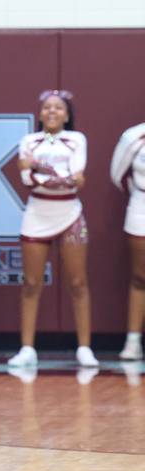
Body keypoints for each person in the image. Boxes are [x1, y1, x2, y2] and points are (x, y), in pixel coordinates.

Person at [9, 90, 97, 367]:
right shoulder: (28, 140)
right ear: (40, 114)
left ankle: (84, 347)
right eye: (47, 108)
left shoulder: (76, 140)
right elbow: (27, 181)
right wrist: (59, 176)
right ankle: (27, 348)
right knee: (32, 283)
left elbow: (77, 180)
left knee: (78, 282)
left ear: (67, 115)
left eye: (58, 108)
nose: (52, 112)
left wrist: (37, 167)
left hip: (70, 213)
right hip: (37, 213)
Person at [111, 123, 145, 360]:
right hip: (141, 206)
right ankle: (133, 340)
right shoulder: (134, 135)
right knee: (140, 276)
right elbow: (118, 176)